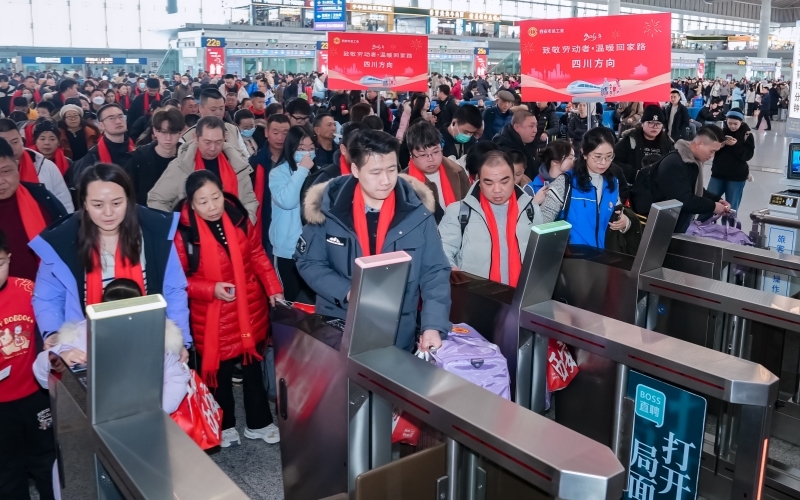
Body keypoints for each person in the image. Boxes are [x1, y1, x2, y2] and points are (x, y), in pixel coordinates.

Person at [297, 129, 451, 352]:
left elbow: (435, 271)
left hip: (399, 331)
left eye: (391, 169)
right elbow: (309, 262)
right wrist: (348, 291)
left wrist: (433, 325)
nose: (386, 180)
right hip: (340, 325)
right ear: (356, 170)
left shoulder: (417, 212)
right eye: (376, 172)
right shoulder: (329, 210)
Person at [174, 171, 282, 447]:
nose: (212, 207)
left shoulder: (238, 217)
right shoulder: (182, 232)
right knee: (219, 375)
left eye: (216, 197)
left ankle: (259, 423)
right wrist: (211, 289)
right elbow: (177, 280)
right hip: (212, 317)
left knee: (253, 369)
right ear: (191, 203)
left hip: (249, 308)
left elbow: (257, 254)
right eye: (203, 202)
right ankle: (224, 424)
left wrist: (273, 288)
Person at [30, 163, 192, 347]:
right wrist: (52, 332)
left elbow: (173, 291)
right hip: (84, 346)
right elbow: (48, 296)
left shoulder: (155, 233)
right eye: (98, 205)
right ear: (84, 203)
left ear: (129, 200)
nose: (108, 213)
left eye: (116, 203)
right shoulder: (62, 241)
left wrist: (180, 341)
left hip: (150, 340)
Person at [32, 278, 190, 414]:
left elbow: (176, 377)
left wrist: (157, 408)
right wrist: (61, 355)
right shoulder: (82, 337)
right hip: (93, 421)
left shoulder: (157, 340)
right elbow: (42, 374)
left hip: (146, 417)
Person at [0, 230, 57, 500]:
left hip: (35, 396)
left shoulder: (29, 289)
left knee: (46, 461)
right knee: (7, 469)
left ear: (9, 258)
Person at [439, 150, 542, 285]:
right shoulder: (459, 212)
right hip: (476, 297)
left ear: (514, 178)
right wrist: (451, 269)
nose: (497, 189)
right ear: (479, 181)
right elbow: (442, 250)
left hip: (522, 296)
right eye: (489, 183)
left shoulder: (531, 209)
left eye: (504, 182)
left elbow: (540, 253)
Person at [148, 116, 258, 222]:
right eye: (207, 142)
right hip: (193, 236)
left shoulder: (237, 163)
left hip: (235, 233)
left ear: (226, 137)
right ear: (195, 137)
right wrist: (175, 228)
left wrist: (246, 223)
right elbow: (157, 200)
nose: (213, 148)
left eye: (218, 142)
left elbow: (249, 201)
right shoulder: (181, 165)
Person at [540, 127, 631, 248]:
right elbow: (543, 221)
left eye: (609, 156)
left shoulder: (612, 182)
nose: (603, 162)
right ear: (584, 154)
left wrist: (625, 223)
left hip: (605, 257)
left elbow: (617, 213)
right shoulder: (566, 182)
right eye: (597, 157)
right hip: (574, 258)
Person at [0, 138, 68, 282]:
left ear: (17, 166)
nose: (1, 181)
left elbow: (68, 242)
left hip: (47, 294)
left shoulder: (41, 197)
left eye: (5, 171)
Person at [269, 125, 317, 302]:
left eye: (311, 148)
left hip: (312, 250)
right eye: (301, 148)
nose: (307, 153)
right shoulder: (278, 173)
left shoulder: (318, 173)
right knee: (290, 302)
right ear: (291, 149)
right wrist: (302, 170)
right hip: (287, 250)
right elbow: (287, 201)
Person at [654, 125, 729, 233]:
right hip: (661, 228)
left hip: (676, 225)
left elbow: (694, 189)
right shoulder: (675, 163)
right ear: (699, 144)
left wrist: (716, 200)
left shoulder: (693, 162)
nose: (712, 156)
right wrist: (712, 206)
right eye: (712, 151)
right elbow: (683, 199)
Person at [402, 120, 470, 223]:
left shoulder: (457, 171)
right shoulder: (403, 182)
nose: (431, 159)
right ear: (411, 154)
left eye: (435, 151)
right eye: (423, 155)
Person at [0, 118, 73, 212]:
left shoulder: (45, 166)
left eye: (15, 142)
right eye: (4, 144)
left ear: (22, 141)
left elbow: (64, 202)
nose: (11, 148)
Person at [124, 107, 184, 205]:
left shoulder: (186, 158)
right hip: (144, 215)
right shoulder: (138, 159)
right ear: (155, 131)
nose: (168, 138)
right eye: (163, 132)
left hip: (179, 216)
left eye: (173, 132)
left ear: (180, 133)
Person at [249, 114, 291, 256]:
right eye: (275, 132)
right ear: (267, 133)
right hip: (264, 219)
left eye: (285, 133)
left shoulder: (295, 162)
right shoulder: (254, 163)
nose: (280, 137)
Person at [68, 103, 134, 189]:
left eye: (121, 116)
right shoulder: (92, 158)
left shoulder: (137, 151)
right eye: (111, 118)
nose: (118, 121)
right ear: (101, 125)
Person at [707, 110, 754, 214]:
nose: (732, 126)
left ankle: (728, 229)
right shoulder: (721, 132)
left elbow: (747, 155)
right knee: (709, 204)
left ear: (741, 122)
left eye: (735, 124)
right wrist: (721, 145)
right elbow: (712, 151)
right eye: (730, 123)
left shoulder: (747, 135)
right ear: (726, 121)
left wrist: (736, 145)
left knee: (731, 207)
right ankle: (703, 227)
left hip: (736, 177)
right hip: (718, 174)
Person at [613, 105, 674, 185]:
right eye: (650, 123)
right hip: (635, 186)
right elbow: (614, 161)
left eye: (658, 123)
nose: (654, 127)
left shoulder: (667, 142)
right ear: (642, 123)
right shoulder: (630, 140)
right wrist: (634, 173)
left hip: (660, 187)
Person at [181, 89, 248, 157]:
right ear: (201, 108)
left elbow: (245, 157)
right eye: (213, 109)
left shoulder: (233, 130)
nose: (218, 113)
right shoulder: (186, 138)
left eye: (221, 108)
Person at [493, 110, 539, 178]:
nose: (535, 130)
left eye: (536, 126)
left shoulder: (529, 140)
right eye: (531, 126)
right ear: (517, 127)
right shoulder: (502, 145)